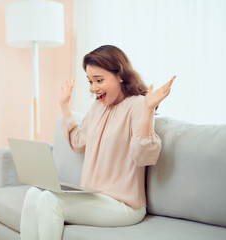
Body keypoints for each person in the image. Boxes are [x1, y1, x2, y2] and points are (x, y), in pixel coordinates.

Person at [20, 45, 175, 240]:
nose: (94, 88)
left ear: (120, 75)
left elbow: (143, 156)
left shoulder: (137, 105)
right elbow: (78, 142)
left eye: (99, 80)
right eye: (90, 81)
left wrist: (149, 110)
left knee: (51, 201)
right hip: (93, 197)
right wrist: (64, 106)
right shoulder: (98, 106)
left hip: (124, 205)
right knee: (34, 194)